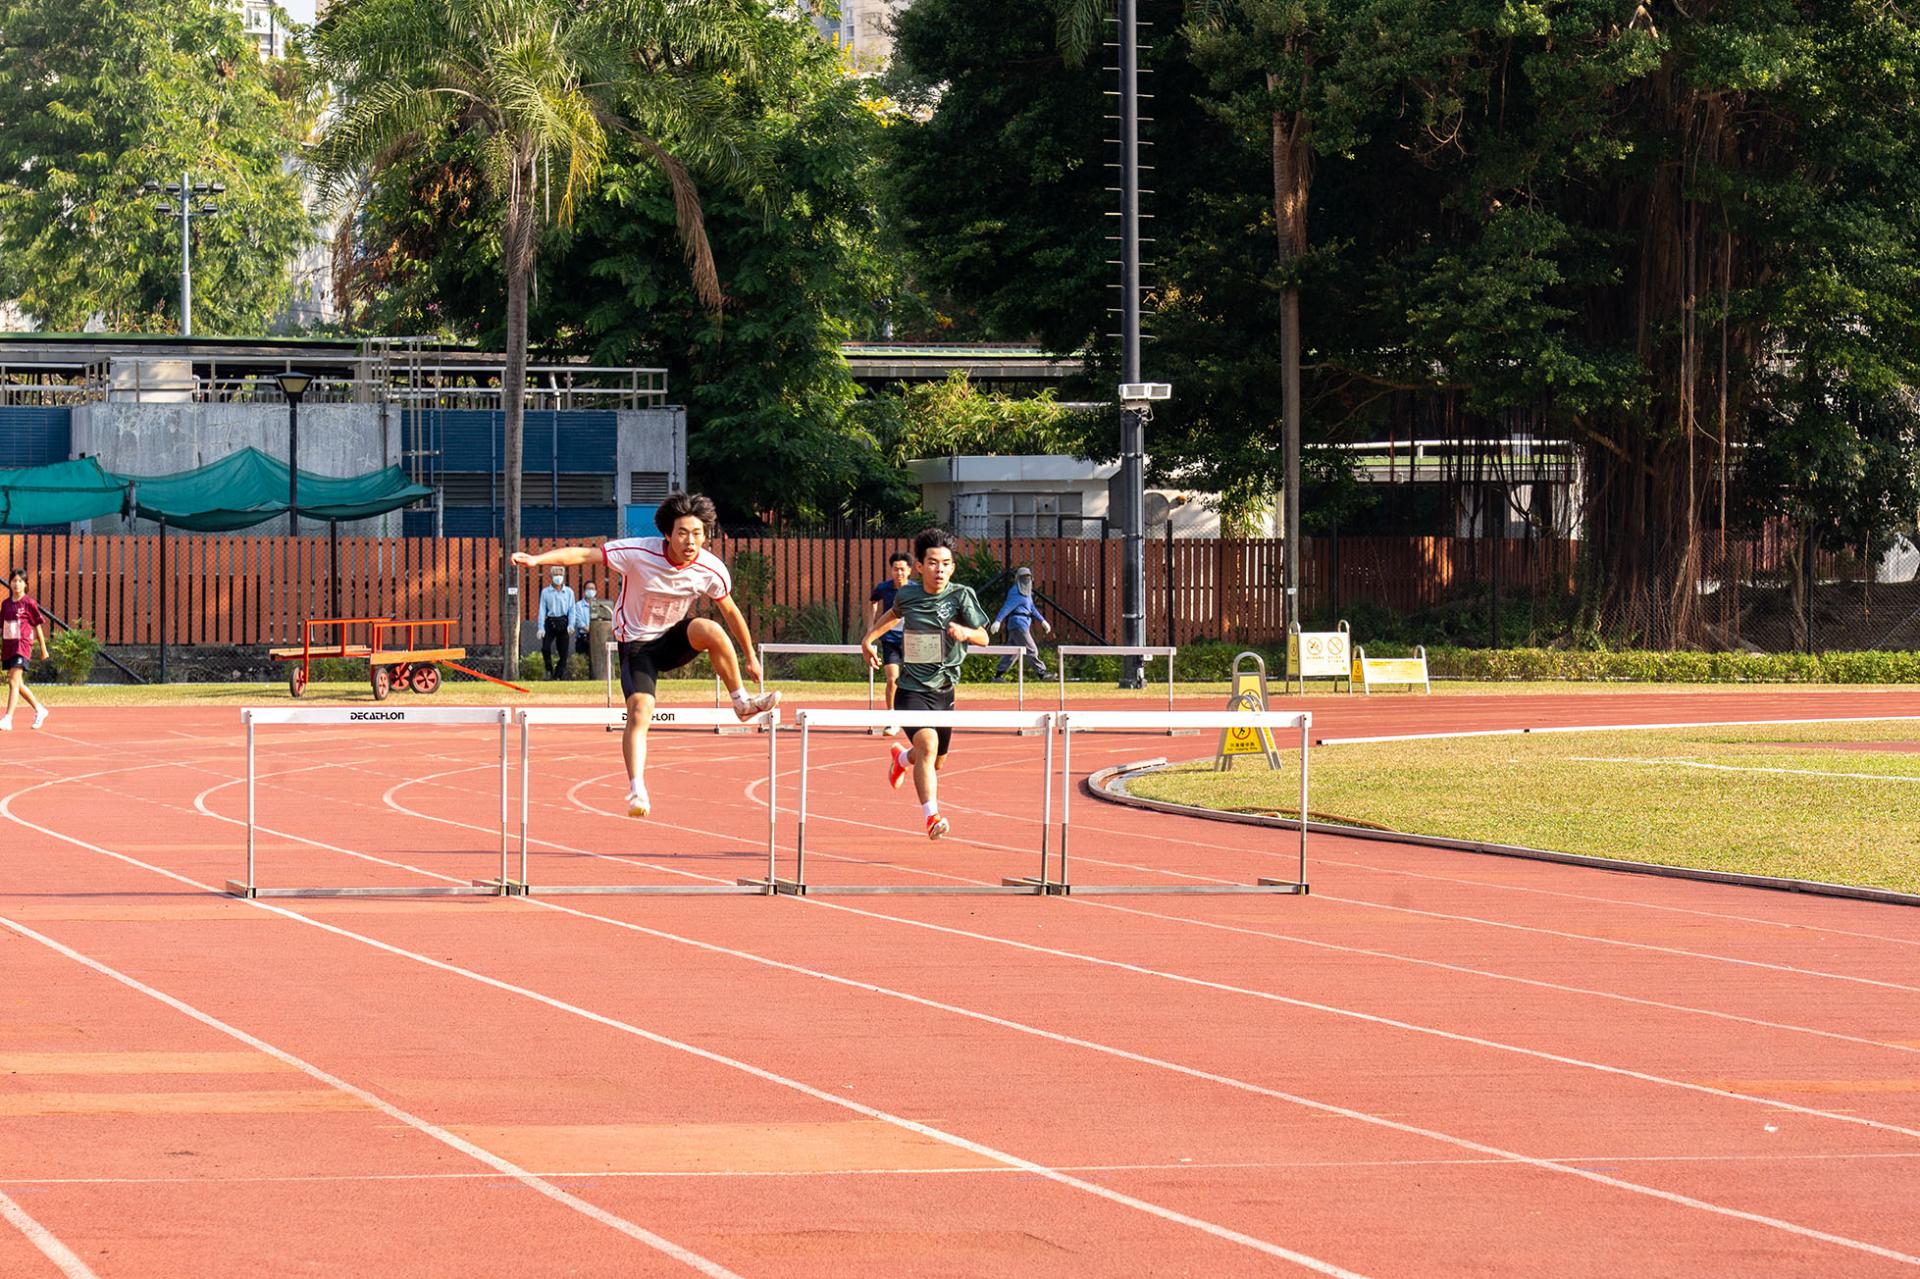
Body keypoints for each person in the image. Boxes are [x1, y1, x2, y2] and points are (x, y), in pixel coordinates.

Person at [512, 493, 778, 818]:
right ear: (667, 534)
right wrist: (537, 560)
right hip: (637, 646)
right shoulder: (638, 553)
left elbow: (732, 612)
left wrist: (750, 655)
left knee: (711, 629)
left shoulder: (711, 569)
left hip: (671, 639)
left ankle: (741, 703)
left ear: (705, 535)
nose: (690, 541)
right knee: (640, 711)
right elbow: (584, 554)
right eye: (682, 533)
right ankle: (637, 789)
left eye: (697, 534)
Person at [861, 528, 990, 841]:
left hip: (944, 691)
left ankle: (901, 759)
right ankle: (932, 817)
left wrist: (966, 633)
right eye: (933, 563)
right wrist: (868, 639)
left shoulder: (961, 596)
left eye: (945, 564)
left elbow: (984, 637)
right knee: (928, 746)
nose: (939, 570)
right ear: (919, 566)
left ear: (952, 567)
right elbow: (893, 615)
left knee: (935, 761)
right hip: (911, 690)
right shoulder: (908, 594)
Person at [1, 567, 51, 731]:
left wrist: (43, 648)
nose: (17, 584)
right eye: (14, 581)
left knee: (13, 680)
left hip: (22, 646)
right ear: (9, 583)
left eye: (20, 581)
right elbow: (2, 627)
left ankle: (8, 718)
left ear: (25, 584)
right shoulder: (5, 604)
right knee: (16, 683)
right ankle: (39, 709)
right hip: (9, 646)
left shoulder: (29, 603)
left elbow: (37, 626)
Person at [868, 551, 913, 729]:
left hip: (912, 640)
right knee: (892, 679)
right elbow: (873, 601)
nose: (899, 573)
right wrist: (871, 627)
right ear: (891, 570)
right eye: (895, 569)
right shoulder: (884, 588)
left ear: (909, 570)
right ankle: (892, 718)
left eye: (902, 569)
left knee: (913, 680)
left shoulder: (916, 589)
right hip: (890, 639)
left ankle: (914, 716)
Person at [990, 565, 1053, 680]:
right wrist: (998, 620)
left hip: (1020, 624)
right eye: (1024, 577)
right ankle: (1042, 673)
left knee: (1012, 653)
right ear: (1018, 578)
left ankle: (998, 676)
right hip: (1019, 624)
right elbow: (1007, 607)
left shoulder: (1026, 593)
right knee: (1031, 649)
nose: (1027, 579)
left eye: (1028, 577)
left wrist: (1042, 621)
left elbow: (1032, 608)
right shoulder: (1015, 592)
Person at [537, 568, 576, 679]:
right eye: (555, 574)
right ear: (551, 576)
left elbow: (572, 610)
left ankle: (557, 676)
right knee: (545, 648)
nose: (558, 577)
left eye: (560, 574)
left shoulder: (569, 592)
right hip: (550, 621)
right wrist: (541, 627)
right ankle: (549, 669)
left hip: (564, 622)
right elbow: (542, 610)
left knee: (563, 653)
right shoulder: (545, 592)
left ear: (563, 576)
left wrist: (571, 624)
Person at [568, 583, 599, 675]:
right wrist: (589, 629)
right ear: (584, 590)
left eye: (593, 588)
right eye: (588, 588)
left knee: (595, 661)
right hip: (583, 637)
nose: (591, 591)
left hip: (596, 637)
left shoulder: (598, 605)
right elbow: (578, 621)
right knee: (583, 660)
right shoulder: (578, 605)